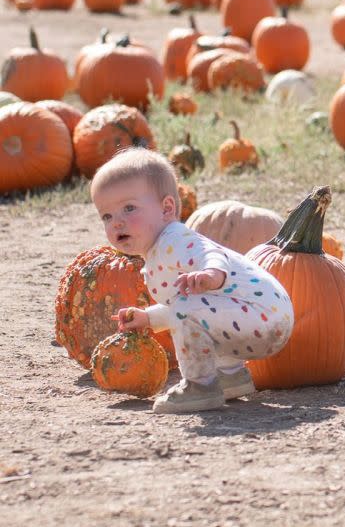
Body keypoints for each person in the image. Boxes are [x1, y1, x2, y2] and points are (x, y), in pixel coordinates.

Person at [91, 148, 294, 413]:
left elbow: (209, 255)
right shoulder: (158, 251)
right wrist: (148, 317)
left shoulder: (175, 239)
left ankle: (199, 387)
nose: (117, 223)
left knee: (188, 307)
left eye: (129, 208)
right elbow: (188, 308)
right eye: (107, 216)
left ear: (167, 208)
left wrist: (212, 274)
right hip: (264, 319)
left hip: (263, 317)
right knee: (192, 308)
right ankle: (230, 376)